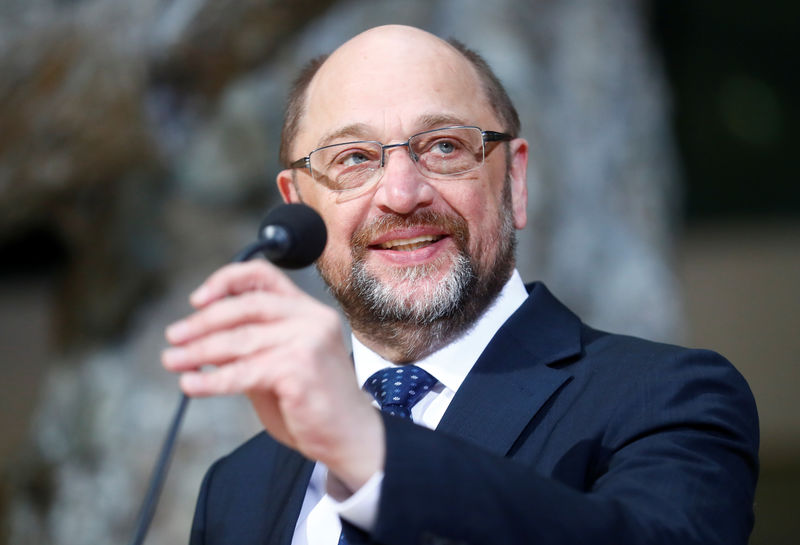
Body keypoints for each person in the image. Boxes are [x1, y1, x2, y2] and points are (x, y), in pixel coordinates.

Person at [161, 24, 758, 545]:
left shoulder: (669, 399)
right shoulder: (236, 486)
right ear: (297, 204)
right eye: (353, 159)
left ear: (514, 181)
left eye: (444, 146)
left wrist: (372, 454)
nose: (401, 195)